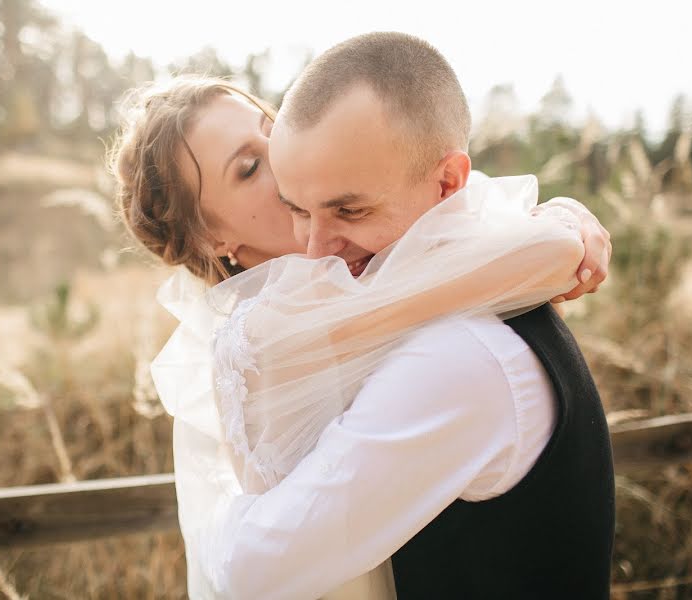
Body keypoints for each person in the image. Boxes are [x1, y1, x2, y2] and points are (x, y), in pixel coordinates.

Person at [110, 35, 613, 599]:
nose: (284, 163)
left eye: (272, 133)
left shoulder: (415, 298)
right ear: (212, 237)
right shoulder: (258, 345)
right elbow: (254, 567)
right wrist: (557, 244)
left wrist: (565, 220)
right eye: (251, 168)